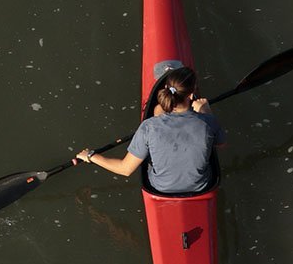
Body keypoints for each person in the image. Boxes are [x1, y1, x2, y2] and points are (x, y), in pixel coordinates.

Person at [75, 67, 225, 193]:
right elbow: (221, 144)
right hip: (200, 187)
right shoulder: (208, 121)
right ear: (191, 95)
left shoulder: (149, 127)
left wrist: (91, 156)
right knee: (160, 111)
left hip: (160, 188)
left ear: (166, 89)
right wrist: (206, 111)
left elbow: (125, 169)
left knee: (157, 110)